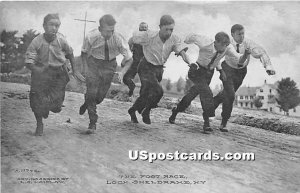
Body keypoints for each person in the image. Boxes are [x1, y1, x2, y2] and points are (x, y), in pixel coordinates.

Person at [169, 32, 250, 132]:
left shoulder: (227, 48)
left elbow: (237, 57)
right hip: (197, 70)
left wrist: (245, 54)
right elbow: (190, 37)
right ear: (216, 42)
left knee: (192, 94)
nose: (225, 49)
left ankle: (176, 110)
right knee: (206, 92)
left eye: (226, 46)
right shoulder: (204, 41)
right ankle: (206, 122)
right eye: (223, 45)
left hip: (208, 73)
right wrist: (182, 46)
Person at [25, 13, 84, 136]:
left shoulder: (61, 40)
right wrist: (37, 69)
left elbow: (70, 54)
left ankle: (46, 107)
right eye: (51, 25)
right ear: (44, 26)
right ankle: (39, 124)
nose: (54, 28)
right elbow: (29, 62)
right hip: (40, 73)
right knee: (35, 100)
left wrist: (75, 70)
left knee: (57, 107)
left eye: (57, 25)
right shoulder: (37, 41)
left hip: (58, 74)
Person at [127, 15, 191, 124]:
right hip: (146, 67)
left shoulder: (174, 39)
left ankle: (132, 110)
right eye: (166, 29)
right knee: (158, 91)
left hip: (159, 70)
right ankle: (146, 111)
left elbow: (181, 52)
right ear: (160, 27)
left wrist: (189, 62)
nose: (169, 33)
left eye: (171, 29)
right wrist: (131, 47)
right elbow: (132, 39)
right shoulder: (149, 36)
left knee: (146, 94)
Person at [213, 24, 276, 132]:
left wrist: (268, 67)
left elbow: (261, 52)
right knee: (231, 95)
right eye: (239, 34)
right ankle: (224, 122)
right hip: (227, 69)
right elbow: (217, 55)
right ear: (233, 34)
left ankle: (210, 106)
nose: (242, 36)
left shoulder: (248, 43)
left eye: (243, 33)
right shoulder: (227, 43)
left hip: (241, 72)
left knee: (226, 94)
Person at [79, 14, 133, 134]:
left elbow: (129, 59)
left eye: (112, 30)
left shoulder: (118, 38)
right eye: (107, 31)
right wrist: (85, 68)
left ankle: (87, 103)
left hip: (109, 65)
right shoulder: (91, 36)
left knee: (99, 97)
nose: (110, 33)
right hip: (94, 63)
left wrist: (122, 72)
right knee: (92, 92)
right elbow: (83, 53)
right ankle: (93, 121)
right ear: (100, 29)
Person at [123, 22, 148, 96]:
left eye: (145, 27)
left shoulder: (150, 39)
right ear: (139, 28)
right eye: (142, 27)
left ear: (147, 29)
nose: (143, 29)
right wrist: (125, 59)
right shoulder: (133, 38)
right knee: (126, 78)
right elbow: (127, 49)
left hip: (145, 64)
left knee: (145, 82)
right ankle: (132, 87)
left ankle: (142, 98)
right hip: (135, 63)